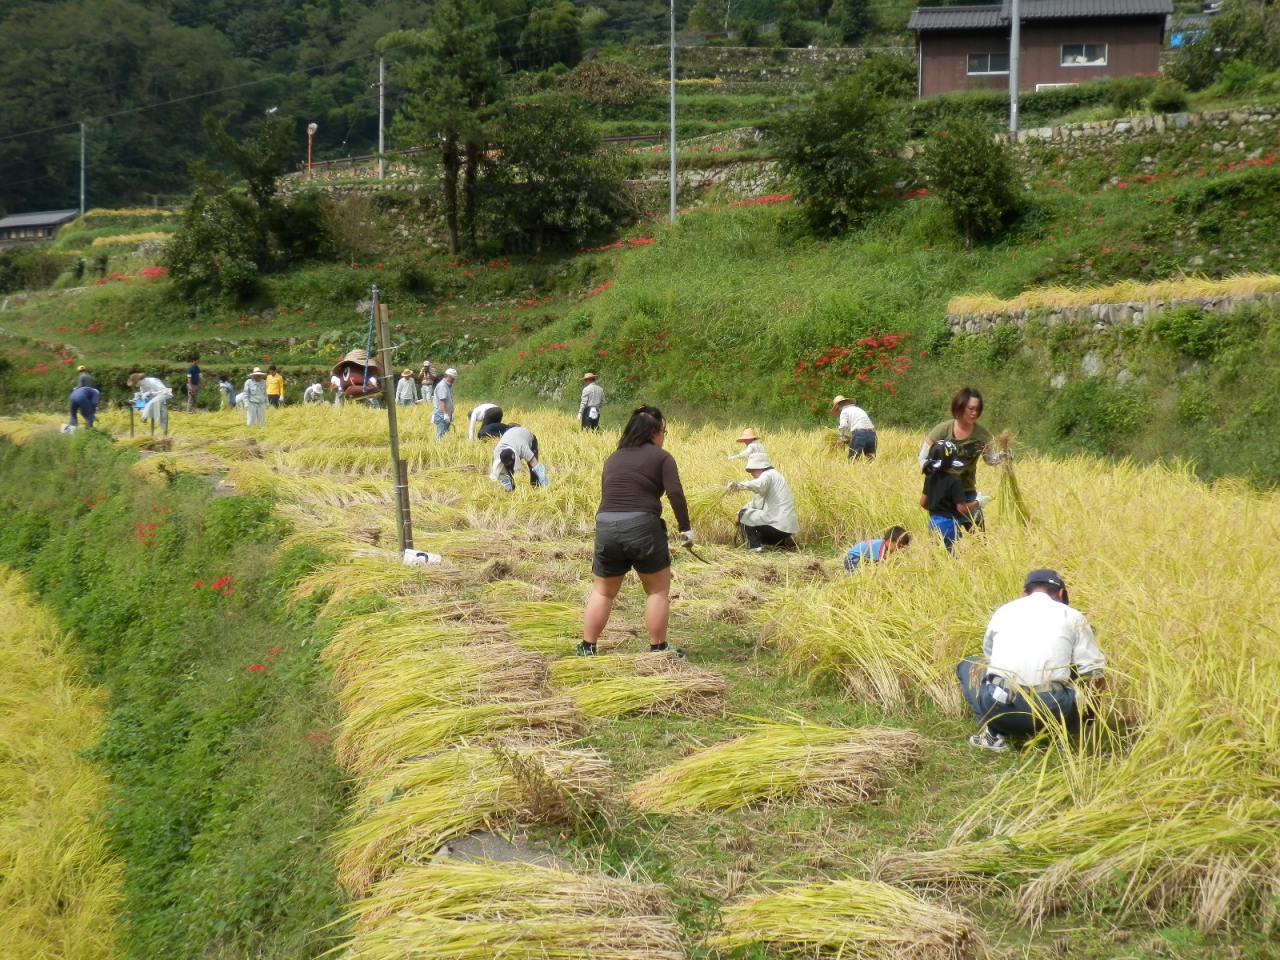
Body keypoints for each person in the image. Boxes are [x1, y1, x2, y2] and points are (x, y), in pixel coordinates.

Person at [578, 405, 692, 658]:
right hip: (642, 525)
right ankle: (658, 648)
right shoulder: (662, 457)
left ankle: (587, 647)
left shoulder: (613, 457)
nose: (664, 436)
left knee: (602, 591)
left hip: (606, 524)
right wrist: (685, 527)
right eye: (663, 431)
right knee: (657, 590)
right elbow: (674, 493)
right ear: (653, 432)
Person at [957, 569, 1106, 752]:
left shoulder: (1004, 611)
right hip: (1053, 713)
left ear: (1024, 593)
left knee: (969, 665)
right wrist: (1088, 719)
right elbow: (1094, 671)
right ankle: (1064, 735)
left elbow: (988, 657)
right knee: (1080, 668)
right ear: (1060, 593)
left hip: (1001, 709)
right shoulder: (1072, 616)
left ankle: (991, 733)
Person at [923, 387, 1007, 521]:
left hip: (966, 491)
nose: (974, 413)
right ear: (960, 406)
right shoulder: (943, 431)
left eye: (977, 409)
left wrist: (1003, 456)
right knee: (945, 537)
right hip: (943, 493)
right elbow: (923, 457)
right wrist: (934, 481)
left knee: (978, 537)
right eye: (970, 408)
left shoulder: (981, 434)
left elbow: (990, 459)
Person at [728, 451, 800, 552]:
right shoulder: (775, 477)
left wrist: (739, 485)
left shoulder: (767, 476)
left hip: (776, 525)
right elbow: (755, 503)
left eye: (752, 470)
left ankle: (754, 548)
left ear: (759, 467)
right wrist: (737, 513)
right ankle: (784, 541)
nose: (751, 473)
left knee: (744, 514)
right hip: (786, 528)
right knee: (760, 536)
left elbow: (759, 485)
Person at [920, 439, 979, 554]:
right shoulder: (955, 481)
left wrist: (936, 507)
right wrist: (977, 502)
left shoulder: (929, 477)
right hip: (949, 524)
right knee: (951, 555)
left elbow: (923, 503)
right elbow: (961, 508)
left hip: (933, 522)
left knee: (936, 554)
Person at [490, 424, 548, 491]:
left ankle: (535, 485)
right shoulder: (497, 452)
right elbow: (501, 472)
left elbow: (537, 467)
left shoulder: (523, 449)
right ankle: (511, 489)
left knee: (532, 467)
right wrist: (507, 487)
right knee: (508, 470)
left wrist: (545, 484)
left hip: (526, 436)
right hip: (511, 434)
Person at [844, 526, 911, 570]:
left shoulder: (881, 544)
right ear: (890, 541)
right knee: (858, 576)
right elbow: (881, 564)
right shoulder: (881, 546)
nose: (899, 549)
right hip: (852, 558)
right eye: (899, 546)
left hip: (856, 557)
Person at [832, 395, 876, 460]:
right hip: (872, 434)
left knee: (853, 460)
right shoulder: (858, 409)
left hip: (860, 434)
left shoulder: (844, 411)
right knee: (870, 459)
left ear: (838, 406)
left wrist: (841, 437)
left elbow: (843, 425)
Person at [433, 367, 457, 439]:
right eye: (452, 378)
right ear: (447, 376)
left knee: (445, 436)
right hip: (441, 416)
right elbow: (442, 401)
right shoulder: (442, 386)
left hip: (445, 415)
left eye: (454, 378)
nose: (453, 380)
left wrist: (449, 414)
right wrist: (445, 414)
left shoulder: (447, 386)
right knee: (441, 436)